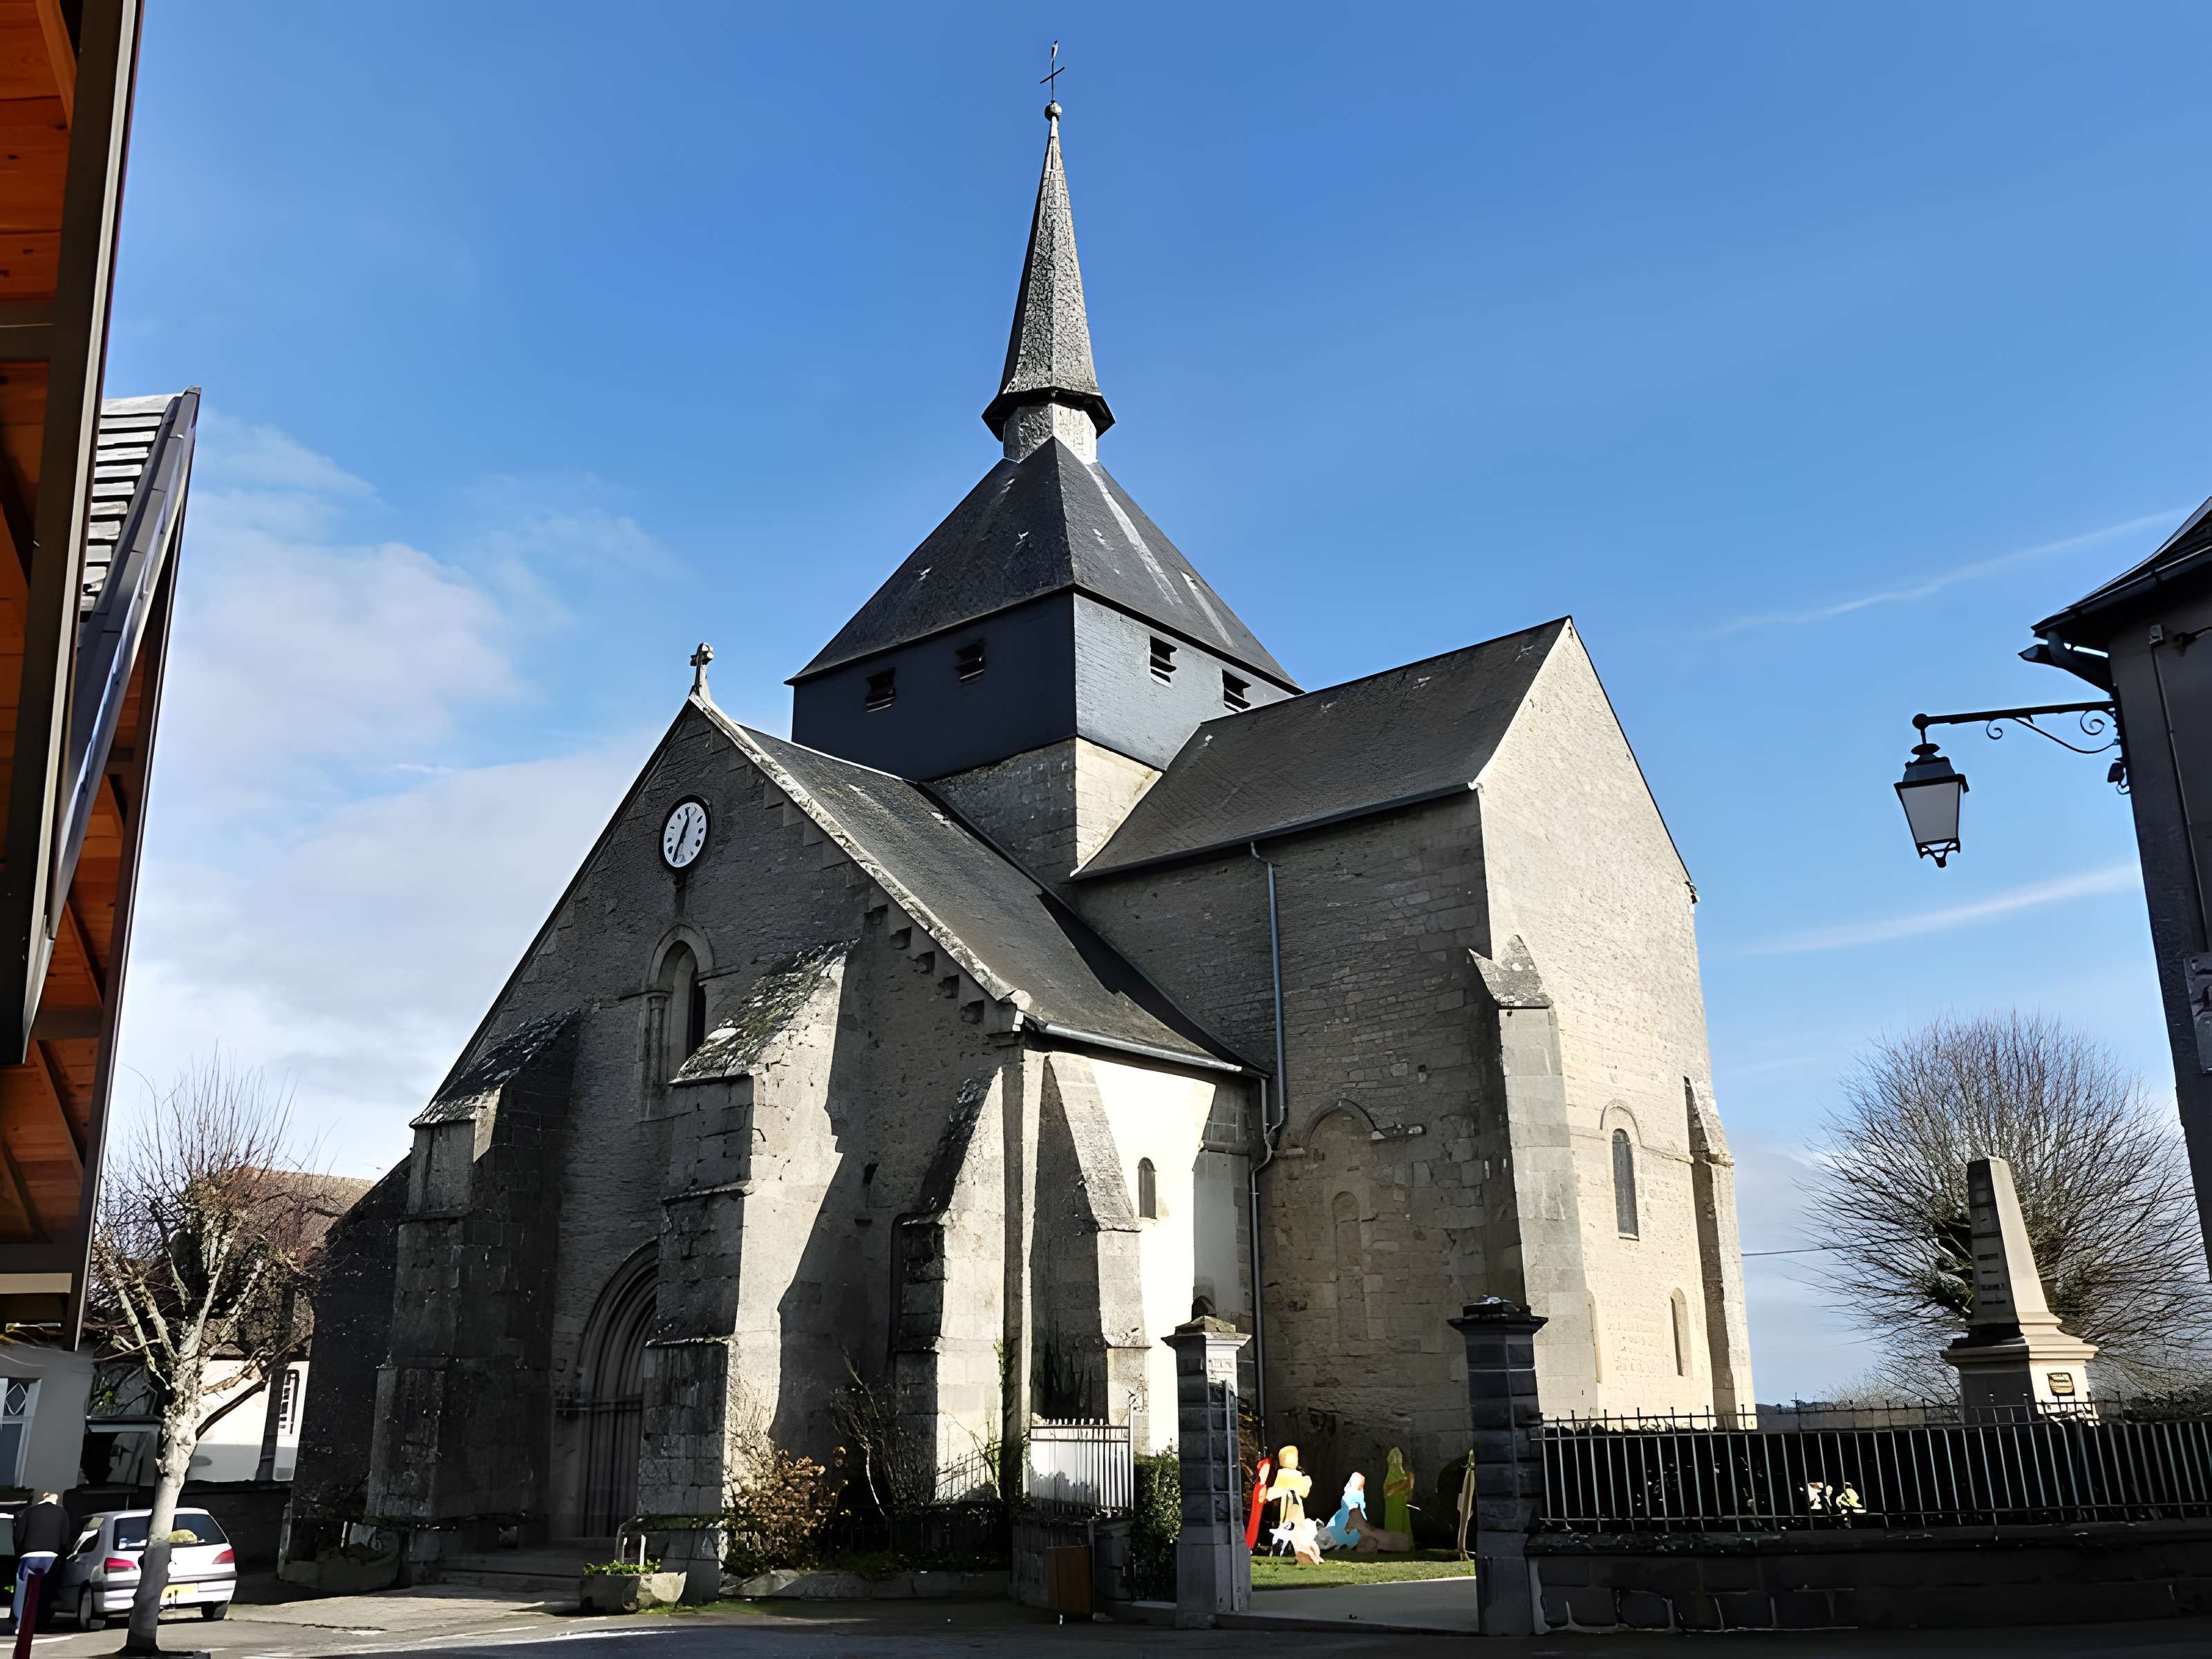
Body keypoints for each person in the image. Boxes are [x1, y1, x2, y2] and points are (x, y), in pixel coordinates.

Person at [8, 1491, 69, 1633]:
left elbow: (18, 1536)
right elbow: (65, 1539)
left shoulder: (28, 1512)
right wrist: (62, 1557)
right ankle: (41, 1622)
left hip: (29, 1555)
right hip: (52, 1556)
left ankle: (19, 1623)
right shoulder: (62, 1514)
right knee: (46, 1589)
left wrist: (20, 1554)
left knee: (22, 1588)